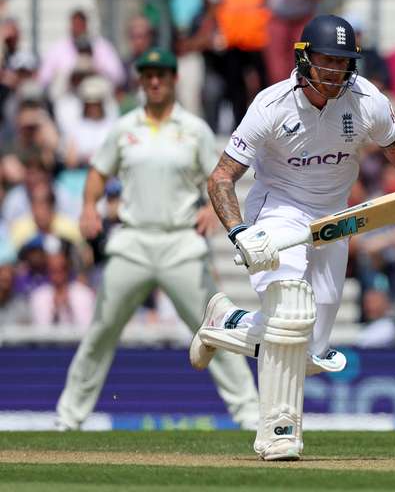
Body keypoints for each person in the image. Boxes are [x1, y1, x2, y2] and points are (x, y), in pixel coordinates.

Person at [188, 15, 395, 461]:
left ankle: (228, 323)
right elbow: (222, 177)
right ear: (304, 58)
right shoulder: (271, 104)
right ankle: (278, 434)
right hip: (278, 211)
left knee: (310, 353)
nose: (336, 70)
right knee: (290, 312)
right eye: (327, 60)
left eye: (344, 61)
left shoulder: (366, 100)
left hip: (333, 221)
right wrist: (240, 232)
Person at [55, 48, 259, 431]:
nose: (154, 81)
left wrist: (210, 210)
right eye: (147, 75)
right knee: (101, 330)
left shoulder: (194, 129)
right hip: (132, 241)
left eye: (161, 75)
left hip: (180, 243)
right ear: (140, 80)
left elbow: (218, 176)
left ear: (173, 79)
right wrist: (87, 206)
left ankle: (250, 415)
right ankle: (68, 418)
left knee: (215, 328)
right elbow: (99, 172)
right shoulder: (124, 127)